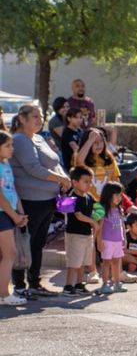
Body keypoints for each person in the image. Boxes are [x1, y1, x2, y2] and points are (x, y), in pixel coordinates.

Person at [11, 105, 72, 299]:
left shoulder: (38, 138)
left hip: (48, 200)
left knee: (38, 244)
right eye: (34, 116)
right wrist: (60, 180)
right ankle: (20, 285)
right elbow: (33, 168)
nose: (39, 120)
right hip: (30, 201)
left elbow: (55, 162)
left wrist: (64, 177)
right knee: (24, 244)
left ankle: (35, 282)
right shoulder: (20, 140)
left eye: (41, 116)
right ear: (22, 118)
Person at [0, 131, 28, 306]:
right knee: (10, 253)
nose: (12, 149)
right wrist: (14, 216)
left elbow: (12, 190)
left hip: (9, 213)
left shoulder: (6, 164)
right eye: (7, 146)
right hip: (2, 214)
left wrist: (20, 213)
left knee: (7, 253)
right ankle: (4, 294)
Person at [62, 166, 97, 296]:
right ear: (75, 182)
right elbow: (78, 215)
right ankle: (68, 285)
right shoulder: (71, 197)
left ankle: (79, 284)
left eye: (90, 181)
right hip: (74, 234)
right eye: (85, 181)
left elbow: (96, 210)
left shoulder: (89, 197)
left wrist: (97, 219)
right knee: (73, 262)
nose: (89, 184)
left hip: (87, 234)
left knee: (83, 261)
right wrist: (93, 222)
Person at [97, 183, 129, 295]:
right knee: (106, 262)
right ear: (108, 195)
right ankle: (105, 284)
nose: (119, 197)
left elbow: (122, 225)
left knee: (116, 262)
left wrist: (124, 238)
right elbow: (99, 227)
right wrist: (99, 241)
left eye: (120, 195)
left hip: (118, 240)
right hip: (107, 240)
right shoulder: (102, 209)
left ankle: (117, 283)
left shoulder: (119, 209)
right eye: (116, 194)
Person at [77, 129, 120, 198]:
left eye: (101, 141)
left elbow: (115, 180)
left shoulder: (109, 157)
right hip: (90, 202)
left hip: (107, 201)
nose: (98, 144)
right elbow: (79, 161)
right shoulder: (81, 157)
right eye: (94, 142)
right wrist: (90, 140)